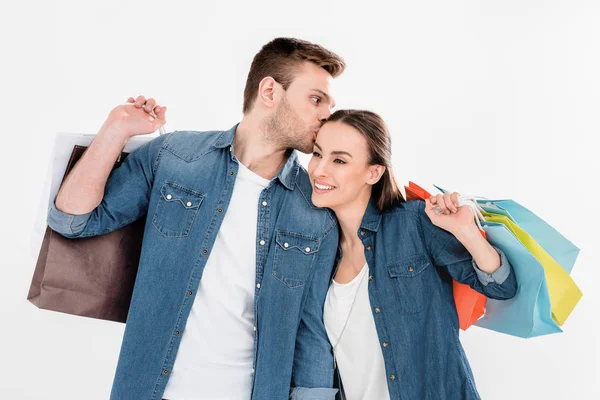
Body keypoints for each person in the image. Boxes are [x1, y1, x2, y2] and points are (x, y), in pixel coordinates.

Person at [47, 37, 345, 400]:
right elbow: (73, 220)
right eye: (316, 99)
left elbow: (311, 328)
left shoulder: (318, 207)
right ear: (270, 91)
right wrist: (117, 129)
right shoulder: (174, 156)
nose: (326, 114)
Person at [307, 110, 518, 400]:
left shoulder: (413, 223)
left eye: (339, 160)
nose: (319, 170)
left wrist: (467, 232)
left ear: (374, 172)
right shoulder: (319, 253)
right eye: (318, 154)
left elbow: (502, 287)